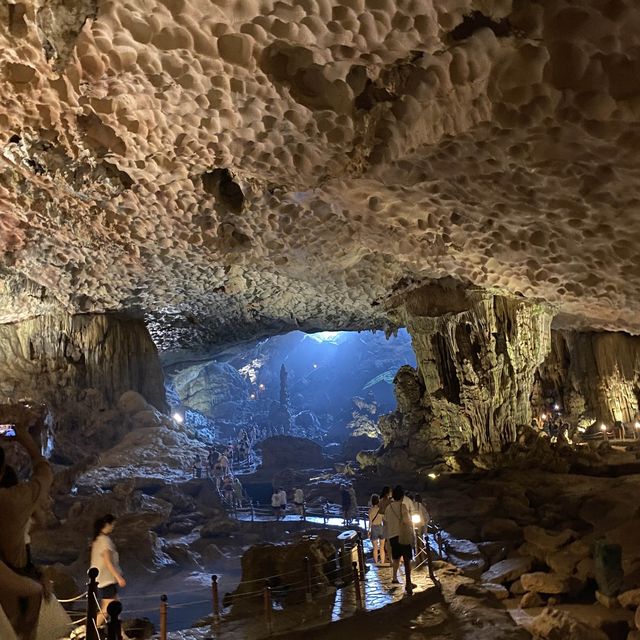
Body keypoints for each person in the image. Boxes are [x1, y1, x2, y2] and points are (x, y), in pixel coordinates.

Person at [0, 424, 53, 640]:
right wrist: (28, 441)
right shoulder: (13, 500)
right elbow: (45, 474)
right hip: (14, 576)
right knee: (23, 629)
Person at [90, 515, 125, 629]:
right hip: (106, 579)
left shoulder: (97, 539)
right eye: (112, 524)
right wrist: (118, 577)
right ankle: (90, 630)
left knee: (116, 605)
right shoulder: (105, 541)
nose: (113, 527)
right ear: (107, 525)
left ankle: (120, 632)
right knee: (107, 608)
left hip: (100, 579)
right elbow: (107, 561)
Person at [384, 486, 415, 595]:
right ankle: (408, 583)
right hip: (403, 535)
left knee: (396, 558)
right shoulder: (403, 507)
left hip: (392, 536)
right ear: (402, 496)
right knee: (407, 560)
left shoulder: (388, 508)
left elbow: (386, 521)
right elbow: (407, 521)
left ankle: (394, 577)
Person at [368, 494, 385, 566]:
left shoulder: (370, 510)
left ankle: (376, 562)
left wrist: (369, 531)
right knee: (382, 547)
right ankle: (383, 562)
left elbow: (370, 522)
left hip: (374, 528)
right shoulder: (381, 510)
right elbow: (384, 520)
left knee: (375, 548)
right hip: (381, 527)